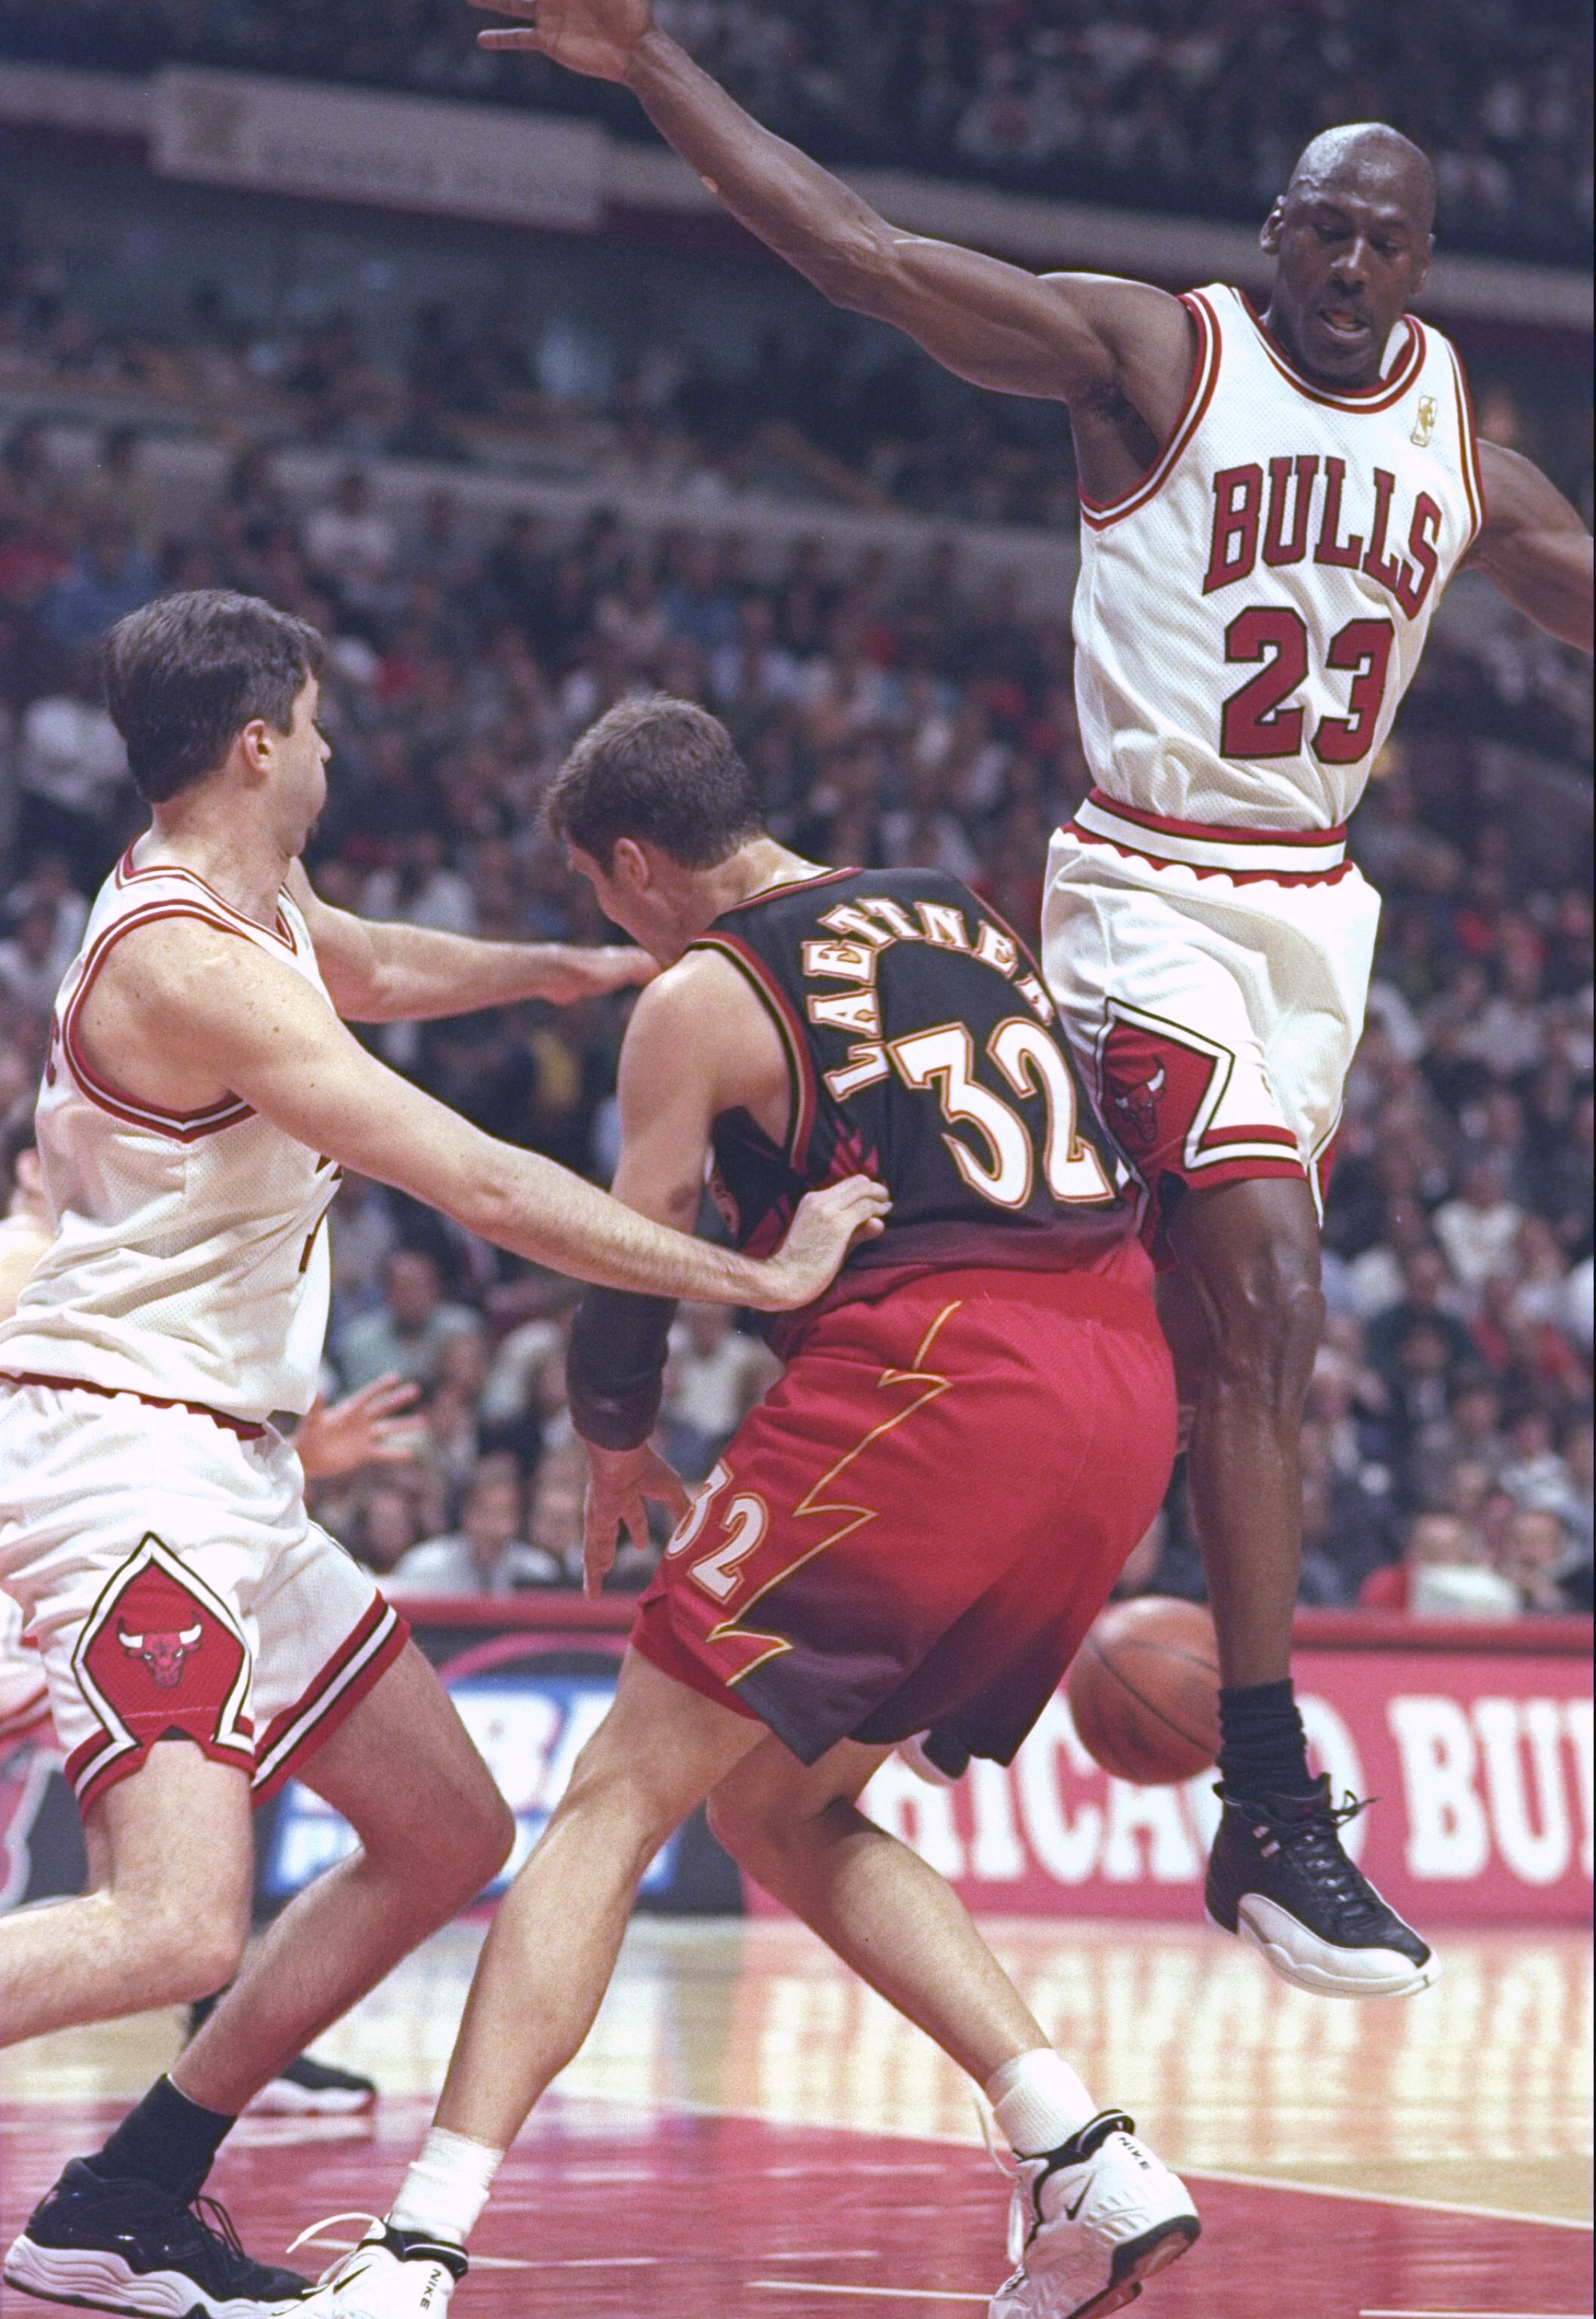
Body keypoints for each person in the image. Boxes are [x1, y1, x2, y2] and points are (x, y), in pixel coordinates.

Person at [467, 0, 1593, 1997]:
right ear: (1273, 231)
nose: (1345, 268)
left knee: (1196, 1336)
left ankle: (988, 1638)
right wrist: (654, 71)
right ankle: (1269, 1797)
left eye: (1383, 242)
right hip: (1147, 888)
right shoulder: (1161, 354)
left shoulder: (1461, 454)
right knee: (1259, 1280)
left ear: (1424, 262)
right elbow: (871, 260)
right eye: (1319, 230)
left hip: (1316, 928)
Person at [0, 593, 883, 2317]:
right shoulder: (185, 960)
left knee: (445, 1828)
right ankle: (128, 2183)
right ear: (259, 744)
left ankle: (130, 2192)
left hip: (228, 1471)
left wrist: (545, 970)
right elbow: (471, 1179)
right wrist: (748, 1275)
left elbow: (373, 964)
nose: (335, 745)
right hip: (128, 1466)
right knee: (173, 1924)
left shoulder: (256, 906)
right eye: (317, 723)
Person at [296, 694, 1198, 2319]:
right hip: (1121, 1384)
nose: (608, 927)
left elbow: (615, 1248)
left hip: (938, 1379)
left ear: (633, 862)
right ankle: (1078, 2144)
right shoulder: (951, 901)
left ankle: (415, 2248)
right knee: (782, 1807)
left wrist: (611, 1436)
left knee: (611, 1800)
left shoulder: (704, 990)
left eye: (597, 894)